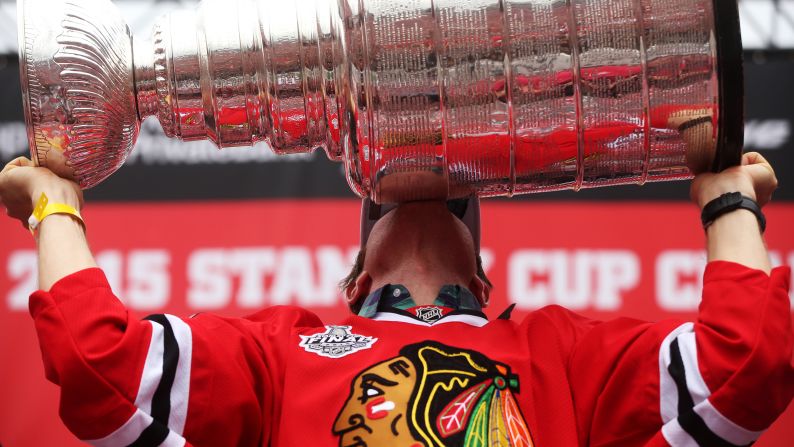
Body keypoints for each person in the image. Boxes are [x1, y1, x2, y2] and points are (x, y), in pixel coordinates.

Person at [0, 151, 791, 447]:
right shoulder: (281, 351)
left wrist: (728, 201)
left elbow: (746, 365)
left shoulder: (559, 351)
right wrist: (55, 203)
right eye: (381, 204)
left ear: (486, 284)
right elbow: (102, 366)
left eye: (456, 204)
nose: (423, 202)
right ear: (351, 285)